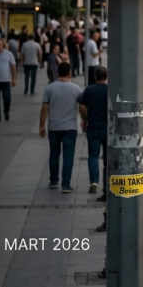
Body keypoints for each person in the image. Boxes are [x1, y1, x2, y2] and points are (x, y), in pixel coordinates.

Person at [40, 62, 82, 193]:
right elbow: (82, 108)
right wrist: (85, 120)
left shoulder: (49, 88)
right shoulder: (76, 89)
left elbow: (45, 108)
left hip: (54, 127)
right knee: (68, 156)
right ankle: (66, 184)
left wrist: (42, 125)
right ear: (70, 72)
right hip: (70, 127)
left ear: (58, 72)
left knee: (54, 153)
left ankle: (53, 180)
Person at [79, 66, 109, 194]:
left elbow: (81, 106)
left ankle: (94, 182)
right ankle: (108, 183)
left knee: (93, 156)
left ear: (95, 77)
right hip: (108, 128)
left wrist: (85, 120)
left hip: (93, 128)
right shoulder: (110, 90)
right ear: (106, 77)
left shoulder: (89, 90)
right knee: (108, 157)